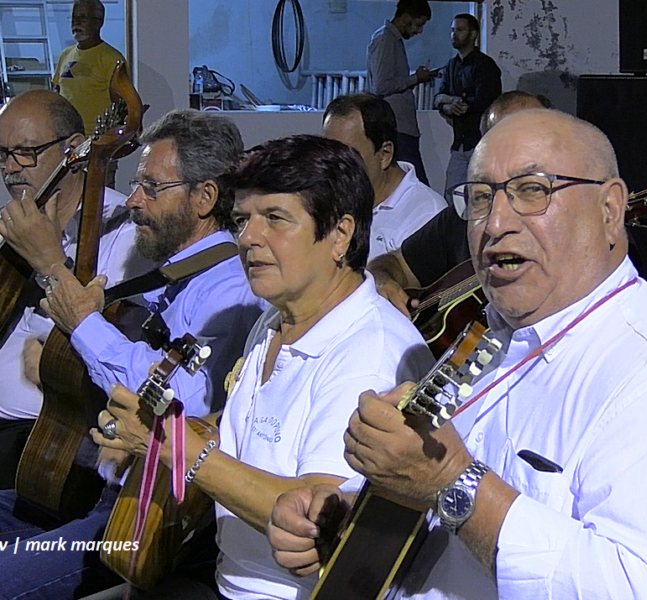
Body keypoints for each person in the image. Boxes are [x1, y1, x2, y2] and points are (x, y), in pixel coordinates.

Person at [266, 110, 647, 599]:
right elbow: (446, 522)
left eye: (533, 191)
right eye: (480, 198)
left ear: (610, 210)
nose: (496, 222)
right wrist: (351, 523)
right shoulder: (491, 339)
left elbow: (635, 588)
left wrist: (450, 482)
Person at [90, 135, 433, 600]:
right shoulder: (275, 319)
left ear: (340, 234)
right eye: (242, 220)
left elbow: (316, 518)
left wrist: (175, 452)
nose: (248, 237)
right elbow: (249, 433)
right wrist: (156, 432)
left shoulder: (371, 353)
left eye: (274, 218)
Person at [0, 109, 264, 599]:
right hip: (91, 489)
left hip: (140, 519)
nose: (135, 201)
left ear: (205, 197)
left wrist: (84, 324)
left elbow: (183, 399)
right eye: (137, 184)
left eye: (152, 187)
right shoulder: (168, 280)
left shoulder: (228, 290)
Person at [0, 89, 150, 489]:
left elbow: (112, 346)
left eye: (26, 152)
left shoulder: (126, 231)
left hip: (52, 448)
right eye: (2, 154)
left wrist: (48, 260)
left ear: (73, 151)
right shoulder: (9, 226)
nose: (11, 168)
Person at [369, 90, 547, 315]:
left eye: (529, 139)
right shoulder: (461, 217)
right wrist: (382, 280)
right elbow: (395, 263)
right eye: (500, 142)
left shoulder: (559, 221)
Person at [322, 93, 446, 260]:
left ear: (385, 154)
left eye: (347, 156)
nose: (334, 167)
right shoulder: (325, 198)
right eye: (328, 153)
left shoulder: (427, 215)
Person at [367, 0, 436, 186]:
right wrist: (415, 79)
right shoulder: (384, 40)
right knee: (417, 186)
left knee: (414, 185)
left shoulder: (392, 40)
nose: (419, 31)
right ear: (406, 18)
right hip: (397, 129)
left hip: (403, 129)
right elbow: (381, 86)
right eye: (418, 24)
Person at [434, 13, 501, 195]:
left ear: (473, 35)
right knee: (451, 194)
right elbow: (438, 98)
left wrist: (456, 103)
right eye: (452, 30)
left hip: (479, 142)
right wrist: (449, 104)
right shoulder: (451, 65)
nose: (454, 34)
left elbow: (485, 100)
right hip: (459, 144)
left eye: (460, 30)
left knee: (479, 195)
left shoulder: (485, 65)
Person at [52, 0, 126, 137]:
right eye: (74, 17)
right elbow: (56, 93)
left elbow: (120, 107)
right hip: (65, 139)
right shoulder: (65, 55)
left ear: (98, 22)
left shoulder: (112, 58)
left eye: (83, 18)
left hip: (95, 140)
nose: (76, 22)